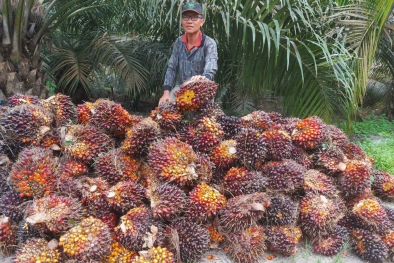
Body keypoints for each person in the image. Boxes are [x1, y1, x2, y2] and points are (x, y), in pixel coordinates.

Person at [158, 2, 218, 104]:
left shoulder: (209, 43)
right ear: (182, 21)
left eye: (194, 17)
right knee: (164, 107)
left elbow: (211, 64)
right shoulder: (179, 42)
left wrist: (204, 78)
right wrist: (166, 92)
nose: (189, 21)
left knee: (204, 117)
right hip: (181, 88)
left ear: (202, 21)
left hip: (202, 89)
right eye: (186, 17)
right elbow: (172, 67)